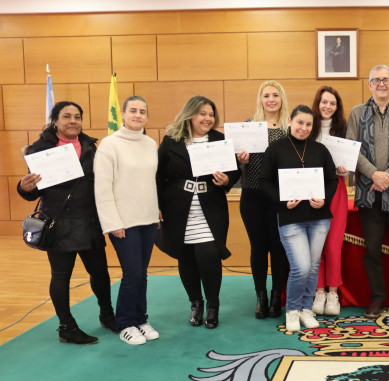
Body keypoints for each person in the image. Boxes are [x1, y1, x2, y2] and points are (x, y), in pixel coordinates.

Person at [17, 101, 114, 345]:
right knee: (61, 276)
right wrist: (24, 187)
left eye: (77, 116)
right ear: (55, 121)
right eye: (67, 116)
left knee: (100, 273)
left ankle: (108, 315)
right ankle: (66, 326)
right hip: (59, 223)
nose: (73, 121)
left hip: (90, 220)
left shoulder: (91, 146)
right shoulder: (40, 150)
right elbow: (33, 190)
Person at [156, 95, 240, 329]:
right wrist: (157, 206)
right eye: (202, 113)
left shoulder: (220, 140)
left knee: (209, 255)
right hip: (178, 208)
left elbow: (233, 173)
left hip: (210, 208)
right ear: (190, 114)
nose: (207, 118)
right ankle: (196, 303)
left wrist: (226, 180)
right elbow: (159, 175)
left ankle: (213, 305)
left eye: (211, 114)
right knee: (186, 257)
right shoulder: (172, 140)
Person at [346, 64, 389, 319]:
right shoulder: (357, 113)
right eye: (376, 80)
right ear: (369, 85)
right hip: (368, 192)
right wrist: (374, 175)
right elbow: (351, 149)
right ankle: (376, 298)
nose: (382, 84)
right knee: (372, 250)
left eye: (386, 79)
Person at [261, 105, 338, 332]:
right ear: (290, 121)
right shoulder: (275, 149)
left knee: (313, 267)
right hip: (290, 217)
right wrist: (283, 200)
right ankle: (293, 310)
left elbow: (332, 180)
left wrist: (324, 198)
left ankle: (306, 309)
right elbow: (265, 182)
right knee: (301, 267)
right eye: (300, 123)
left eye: (308, 124)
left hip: (319, 217)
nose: (304, 128)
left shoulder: (320, 149)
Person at [94, 96, 161, 345]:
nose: (138, 115)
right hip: (123, 223)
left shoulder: (151, 143)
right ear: (122, 114)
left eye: (142, 111)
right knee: (131, 274)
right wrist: (112, 223)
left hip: (147, 219)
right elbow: (102, 188)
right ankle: (125, 323)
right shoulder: (109, 145)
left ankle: (140, 319)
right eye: (132, 110)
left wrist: (155, 214)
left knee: (142, 274)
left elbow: (150, 183)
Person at [237, 80, 289, 319]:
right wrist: (241, 160)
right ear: (260, 99)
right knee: (258, 247)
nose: (271, 99)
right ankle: (261, 296)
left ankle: (276, 295)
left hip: (280, 197)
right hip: (253, 195)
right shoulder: (248, 126)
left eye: (275, 95)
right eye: (266, 95)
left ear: (281, 99)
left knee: (279, 248)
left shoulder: (289, 128)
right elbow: (234, 163)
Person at [311, 86, 349, 316]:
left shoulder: (343, 130)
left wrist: (345, 169)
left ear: (337, 107)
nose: (328, 106)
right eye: (324, 102)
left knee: (333, 245)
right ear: (318, 103)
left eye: (332, 103)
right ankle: (319, 291)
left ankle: (333, 292)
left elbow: (348, 166)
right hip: (312, 189)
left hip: (336, 189)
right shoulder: (307, 127)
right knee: (316, 244)